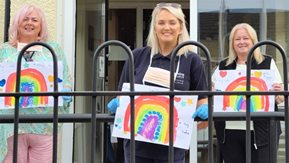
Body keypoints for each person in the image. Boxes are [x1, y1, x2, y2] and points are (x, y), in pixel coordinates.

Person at [107, 3, 208, 163]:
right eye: (161, 22)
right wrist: (117, 103)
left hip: (172, 147)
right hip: (136, 145)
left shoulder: (191, 60)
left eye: (172, 22)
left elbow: (202, 97)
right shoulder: (137, 56)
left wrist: (204, 108)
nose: (166, 27)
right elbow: (124, 95)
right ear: (154, 27)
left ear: (180, 27)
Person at [0, 4, 72, 163]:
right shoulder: (4, 50)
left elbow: (66, 79)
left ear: (41, 26)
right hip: (11, 127)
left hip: (44, 127)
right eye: (25, 19)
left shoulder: (53, 50)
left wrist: (66, 92)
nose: (29, 23)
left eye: (34, 20)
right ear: (17, 24)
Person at [212, 23, 284, 163]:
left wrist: (278, 93)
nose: (242, 42)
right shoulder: (223, 66)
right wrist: (213, 92)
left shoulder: (267, 63)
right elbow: (211, 95)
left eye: (246, 38)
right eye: (237, 39)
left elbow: (280, 98)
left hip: (261, 131)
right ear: (232, 43)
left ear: (253, 40)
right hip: (230, 131)